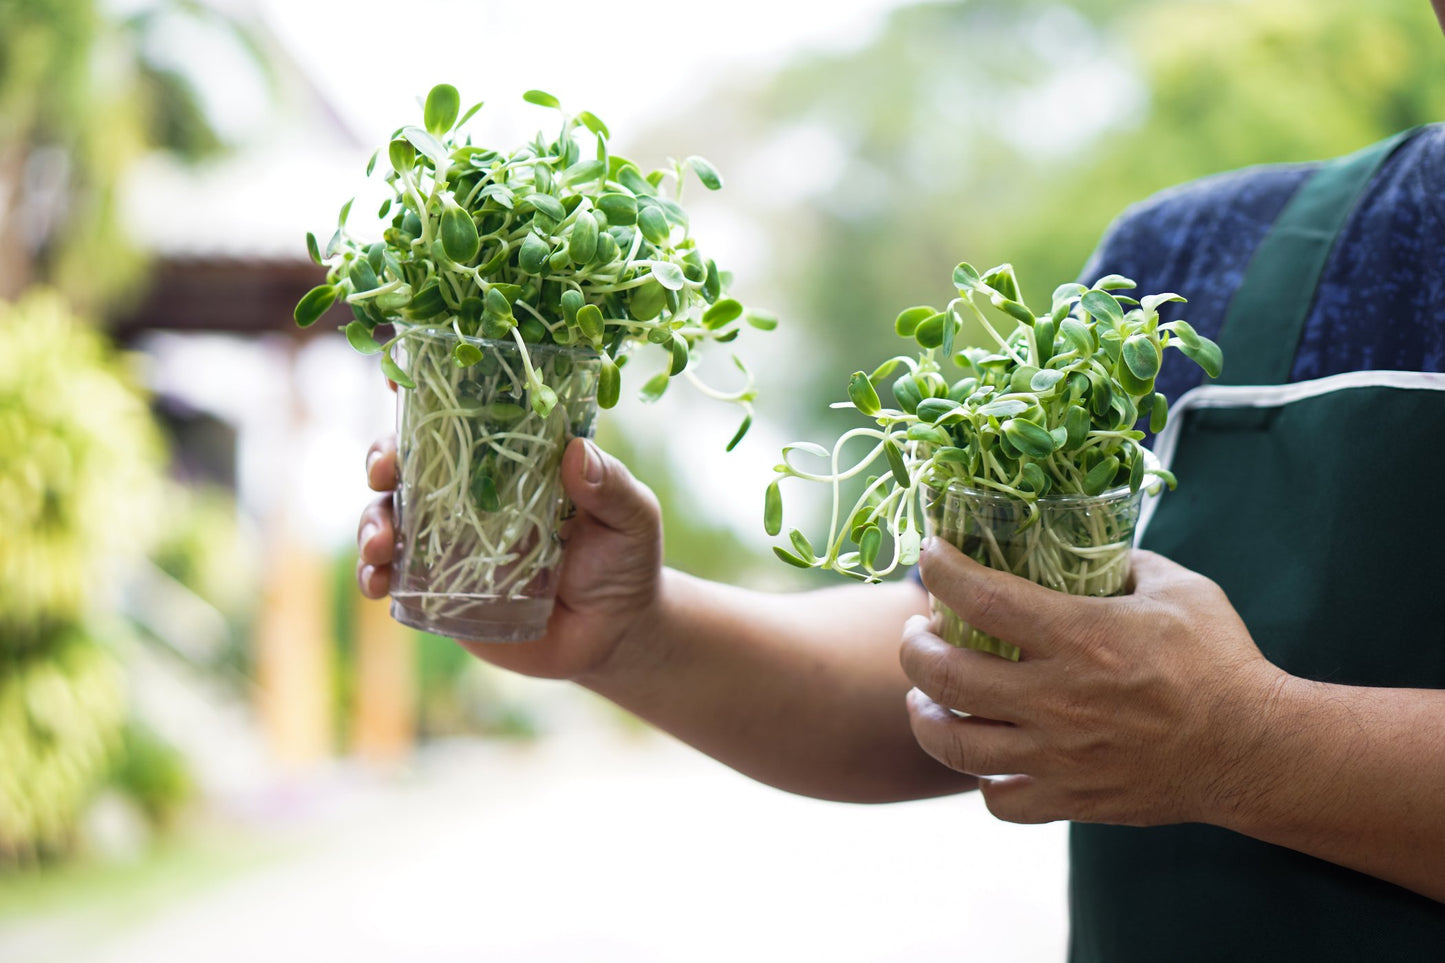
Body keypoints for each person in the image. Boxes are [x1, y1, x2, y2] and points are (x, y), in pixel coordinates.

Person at [356, 4, 1445, 957]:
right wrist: (633, 631)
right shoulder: (1190, 261)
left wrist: (1247, 747)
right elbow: (974, 674)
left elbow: (1179, 720)